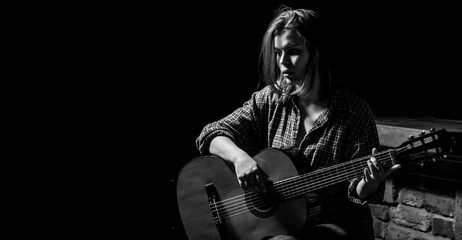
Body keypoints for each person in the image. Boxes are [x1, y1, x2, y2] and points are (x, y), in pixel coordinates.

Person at [195, 5, 400, 240]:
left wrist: (369, 181)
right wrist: (239, 158)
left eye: (293, 51)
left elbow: (359, 193)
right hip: (284, 223)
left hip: (337, 224)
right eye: (278, 52)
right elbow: (211, 134)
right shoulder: (271, 99)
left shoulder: (354, 112)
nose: (283, 62)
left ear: (316, 52)